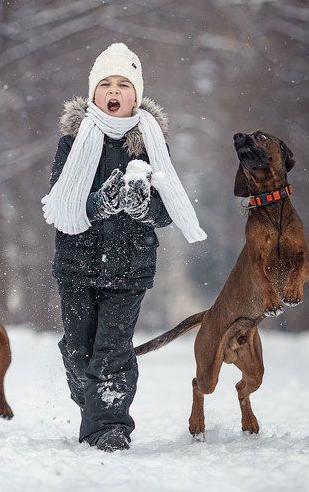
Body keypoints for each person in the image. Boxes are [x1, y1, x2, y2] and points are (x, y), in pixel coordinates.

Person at [42, 42, 206, 452]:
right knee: (80, 353)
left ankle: (111, 426)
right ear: (94, 92)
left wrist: (140, 207)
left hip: (128, 266)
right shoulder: (72, 141)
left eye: (123, 84)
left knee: (112, 351)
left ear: (137, 95)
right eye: (106, 84)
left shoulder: (151, 142)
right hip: (76, 263)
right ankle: (93, 403)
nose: (113, 91)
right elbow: (60, 204)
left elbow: (166, 211)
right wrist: (100, 203)